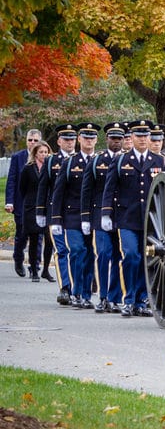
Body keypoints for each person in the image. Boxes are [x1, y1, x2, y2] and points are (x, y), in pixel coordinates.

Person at [101, 119, 165, 317]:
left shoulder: (161, 162)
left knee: (147, 259)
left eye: (145, 136)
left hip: (151, 220)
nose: (142, 139)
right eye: (138, 136)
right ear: (131, 137)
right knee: (131, 256)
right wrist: (106, 213)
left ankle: (142, 300)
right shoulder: (121, 160)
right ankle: (128, 299)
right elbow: (109, 188)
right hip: (127, 218)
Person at [51, 122, 100, 308]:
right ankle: (76, 291)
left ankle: (86, 294)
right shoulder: (70, 162)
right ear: (79, 139)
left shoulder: (99, 161)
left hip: (92, 215)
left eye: (92, 138)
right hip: (72, 215)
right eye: (85, 137)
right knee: (77, 251)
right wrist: (56, 218)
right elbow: (58, 192)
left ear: (96, 140)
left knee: (89, 254)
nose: (89, 141)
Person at [81, 122, 128, 313]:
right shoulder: (96, 160)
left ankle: (115, 297)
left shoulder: (127, 160)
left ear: (124, 140)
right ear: (107, 139)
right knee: (103, 254)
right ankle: (102, 296)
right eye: (113, 138)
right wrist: (85, 218)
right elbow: (87, 190)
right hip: (100, 216)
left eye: (119, 139)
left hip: (122, 216)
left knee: (119, 257)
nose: (116, 142)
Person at [36, 124, 78, 304]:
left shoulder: (80, 160)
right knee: (62, 250)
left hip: (76, 212)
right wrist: (41, 211)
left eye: (72, 139)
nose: (69, 142)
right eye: (66, 139)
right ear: (59, 141)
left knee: (78, 250)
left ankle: (78, 286)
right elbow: (43, 186)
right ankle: (65, 288)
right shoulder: (52, 161)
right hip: (57, 213)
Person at [5, 129, 42, 277]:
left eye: (35, 140)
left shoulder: (45, 157)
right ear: (26, 141)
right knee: (22, 234)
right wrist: (9, 202)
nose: (32, 143)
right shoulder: (18, 157)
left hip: (39, 204)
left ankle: (35, 266)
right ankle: (18, 259)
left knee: (38, 236)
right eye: (30, 140)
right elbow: (12, 180)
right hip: (21, 204)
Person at [18, 140, 52, 281]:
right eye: (41, 152)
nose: (43, 155)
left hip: (48, 207)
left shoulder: (51, 166)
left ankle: (45, 270)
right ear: (35, 154)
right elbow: (22, 188)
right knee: (33, 239)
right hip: (32, 207)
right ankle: (34, 270)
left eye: (45, 152)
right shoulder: (28, 168)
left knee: (49, 240)